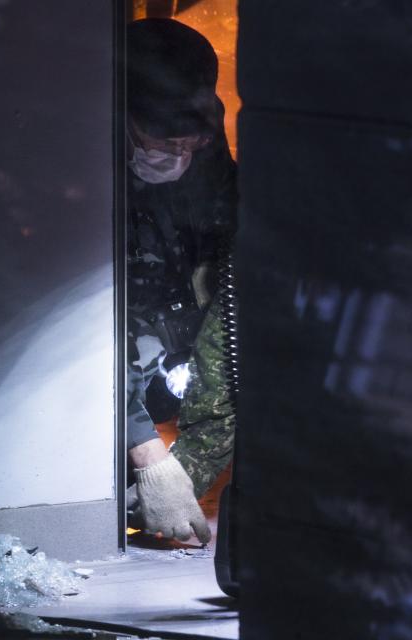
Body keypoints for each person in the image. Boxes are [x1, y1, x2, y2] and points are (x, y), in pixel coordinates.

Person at [125, 18, 237, 545]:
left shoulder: (204, 149)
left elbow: (232, 290)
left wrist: (184, 468)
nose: (177, 154)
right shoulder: (71, 179)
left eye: (190, 141)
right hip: (118, 369)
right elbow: (85, 334)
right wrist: (145, 451)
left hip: (179, 352)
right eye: (162, 140)